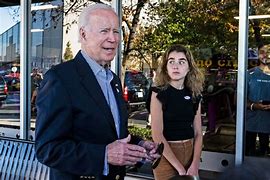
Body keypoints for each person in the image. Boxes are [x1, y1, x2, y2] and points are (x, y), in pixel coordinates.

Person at [35, 4, 160, 180]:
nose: (113, 38)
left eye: (116, 31)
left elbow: (114, 133)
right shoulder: (60, 79)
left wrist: (139, 144)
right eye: (104, 31)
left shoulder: (114, 80)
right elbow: (47, 149)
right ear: (83, 34)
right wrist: (103, 155)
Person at [150, 44, 204, 179]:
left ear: (189, 67)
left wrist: (195, 164)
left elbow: (198, 132)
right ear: (165, 67)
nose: (176, 66)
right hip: (166, 156)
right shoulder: (158, 93)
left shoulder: (194, 94)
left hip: (191, 154)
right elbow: (157, 135)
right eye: (171, 61)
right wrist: (180, 169)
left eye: (181, 61)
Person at [246, 44, 270, 156]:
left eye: (268, 51)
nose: (265, 55)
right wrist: (253, 106)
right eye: (262, 52)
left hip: (267, 125)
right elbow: (238, 100)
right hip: (250, 124)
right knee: (248, 156)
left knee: (264, 157)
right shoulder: (249, 74)